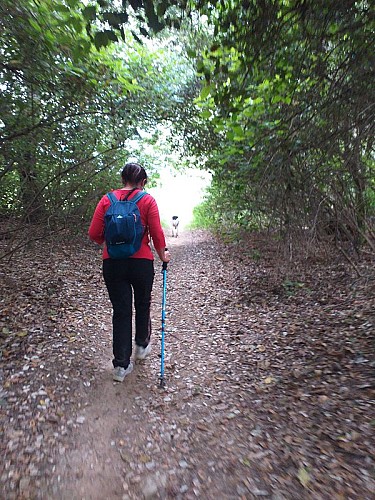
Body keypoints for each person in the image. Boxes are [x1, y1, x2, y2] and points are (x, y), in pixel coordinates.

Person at [88, 163, 171, 382]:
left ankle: (120, 367)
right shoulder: (147, 200)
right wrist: (163, 255)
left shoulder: (107, 200)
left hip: (113, 263)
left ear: (122, 179)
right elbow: (156, 232)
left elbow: (94, 233)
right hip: (141, 262)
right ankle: (141, 346)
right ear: (143, 182)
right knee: (142, 303)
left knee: (121, 311)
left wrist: (111, 244)